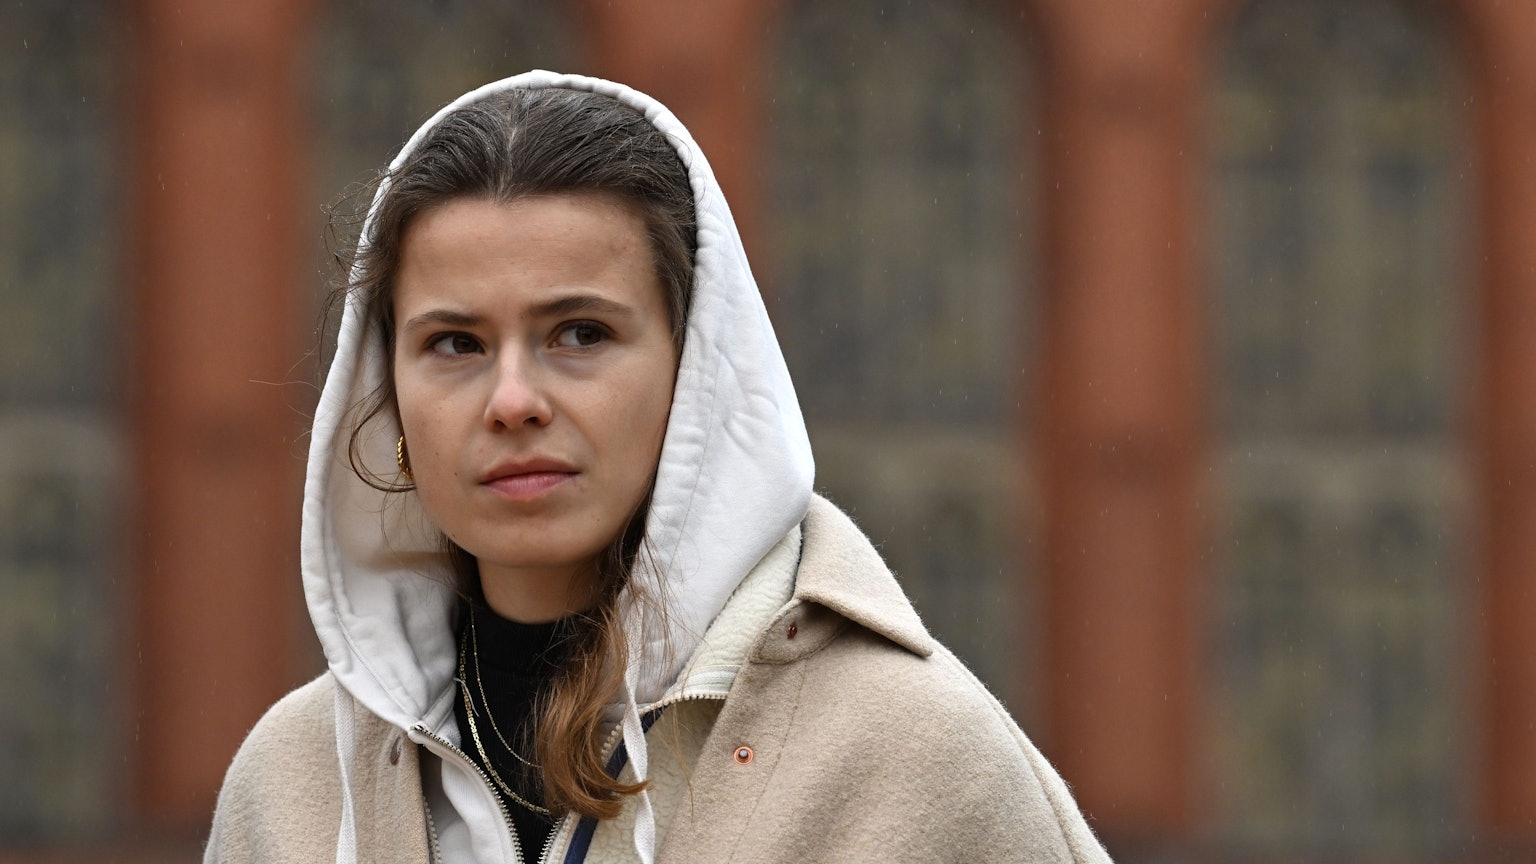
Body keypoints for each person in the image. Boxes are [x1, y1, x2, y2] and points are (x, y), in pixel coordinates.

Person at [204, 70, 1112, 864]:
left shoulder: (905, 757)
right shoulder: (293, 786)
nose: (513, 399)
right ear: (387, 393)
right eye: (455, 343)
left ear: (696, 372)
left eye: (580, 334)